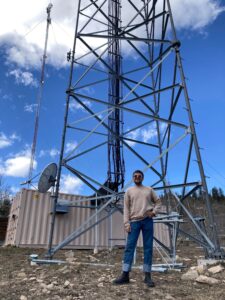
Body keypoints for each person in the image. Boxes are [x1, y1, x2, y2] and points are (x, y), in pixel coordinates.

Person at [113, 170, 161, 287]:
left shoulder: (149, 190)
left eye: (139, 176)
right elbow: (126, 209)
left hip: (147, 221)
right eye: (135, 176)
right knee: (129, 247)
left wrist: (154, 212)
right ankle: (125, 275)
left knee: (148, 248)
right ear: (133, 178)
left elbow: (158, 202)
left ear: (142, 178)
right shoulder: (129, 191)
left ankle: (147, 275)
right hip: (134, 222)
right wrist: (126, 223)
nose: (137, 177)